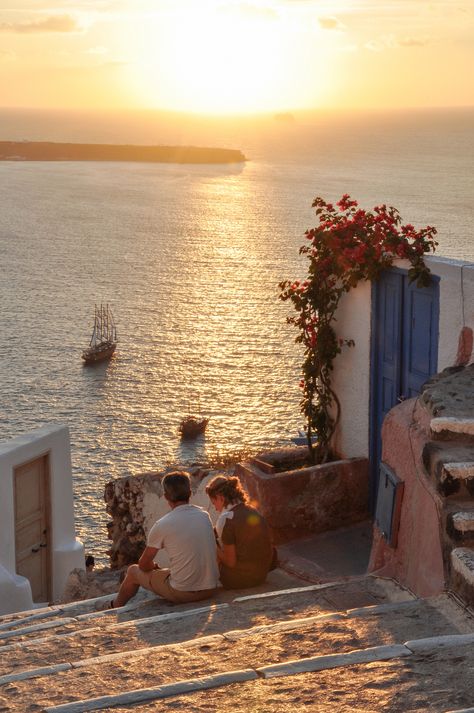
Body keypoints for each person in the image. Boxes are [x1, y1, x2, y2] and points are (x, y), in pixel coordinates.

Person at [107, 471, 219, 608]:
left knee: (132, 571)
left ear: (166, 497)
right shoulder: (204, 515)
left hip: (184, 593)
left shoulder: (163, 524)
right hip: (210, 588)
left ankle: (114, 606)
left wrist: (153, 567)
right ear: (190, 493)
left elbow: (143, 564)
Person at [205, 475, 274, 589]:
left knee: (209, 542)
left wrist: (212, 543)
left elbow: (230, 562)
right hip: (261, 576)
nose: (216, 508)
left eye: (214, 503)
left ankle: (206, 584)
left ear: (220, 497)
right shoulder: (253, 511)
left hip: (239, 581)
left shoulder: (226, 519)